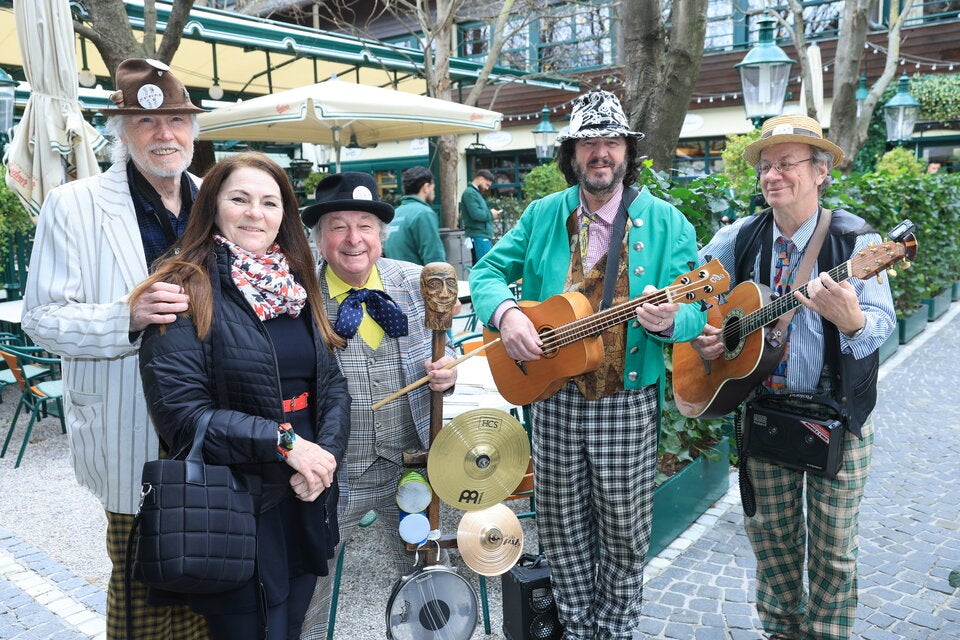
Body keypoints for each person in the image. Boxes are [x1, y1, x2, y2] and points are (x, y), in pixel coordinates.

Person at [468, 90, 705, 640]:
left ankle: (615, 629)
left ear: (626, 151)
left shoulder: (666, 222)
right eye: (588, 143)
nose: (601, 153)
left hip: (624, 398)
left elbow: (701, 310)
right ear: (571, 155)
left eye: (611, 142)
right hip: (550, 397)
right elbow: (485, 273)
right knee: (559, 523)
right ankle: (575, 627)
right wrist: (506, 315)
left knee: (624, 527)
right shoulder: (542, 215)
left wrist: (672, 320)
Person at [21, 58, 210, 640]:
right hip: (133, 424)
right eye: (146, 121)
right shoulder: (73, 205)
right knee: (142, 585)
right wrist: (123, 317)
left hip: (215, 424)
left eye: (176, 119)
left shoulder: (217, 202)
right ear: (121, 131)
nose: (164, 134)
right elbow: (40, 318)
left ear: (192, 130)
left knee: (216, 575)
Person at [691, 114, 896, 640]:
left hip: (838, 416)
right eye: (766, 165)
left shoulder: (858, 241)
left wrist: (849, 319)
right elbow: (692, 293)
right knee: (773, 546)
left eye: (786, 163)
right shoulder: (740, 236)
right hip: (766, 413)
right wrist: (705, 335)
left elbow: (881, 326)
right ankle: (781, 633)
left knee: (834, 553)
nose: (772, 175)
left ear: (820, 171)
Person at [132, 152, 351, 639]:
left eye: (270, 202)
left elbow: (332, 385)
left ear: (284, 216)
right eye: (240, 199)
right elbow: (183, 418)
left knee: (290, 624)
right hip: (235, 503)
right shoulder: (183, 287)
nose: (257, 213)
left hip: (304, 491)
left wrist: (324, 459)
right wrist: (288, 445)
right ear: (213, 207)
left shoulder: (295, 282)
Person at [298, 172, 457, 640]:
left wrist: (447, 375)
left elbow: (443, 353)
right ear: (318, 237)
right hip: (333, 468)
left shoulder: (417, 283)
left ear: (381, 233)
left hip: (410, 461)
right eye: (337, 226)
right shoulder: (298, 294)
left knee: (427, 577)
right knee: (309, 578)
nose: (353, 239)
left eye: (365, 224)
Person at [383, 166, 445, 265]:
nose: (434, 193)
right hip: (418, 278)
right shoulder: (424, 213)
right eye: (433, 189)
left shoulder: (395, 213)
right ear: (426, 188)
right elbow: (435, 258)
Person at [459, 168, 501, 263]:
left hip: (480, 235)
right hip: (479, 235)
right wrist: (491, 214)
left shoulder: (473, 193)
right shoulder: (470, 193)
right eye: (487, 184)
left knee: (482, 265)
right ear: (480, 179)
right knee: (484, 265)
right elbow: (476, 215)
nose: (487, 188)